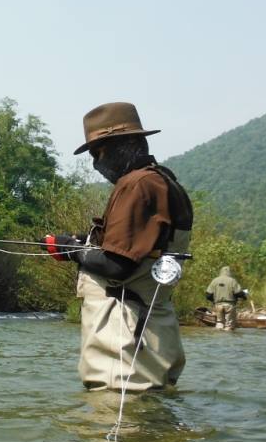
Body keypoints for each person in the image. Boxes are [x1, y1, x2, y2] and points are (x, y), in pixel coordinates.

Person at [43, 102, 193, 391]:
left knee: (114, 424)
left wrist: (70, 250)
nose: (95, 164)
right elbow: (134, 249)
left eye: (96, 153)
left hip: (125, 341)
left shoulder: (138, 185)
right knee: (151, 426)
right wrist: (77, 245)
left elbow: (117, 265)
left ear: (117, 146)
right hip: (150, 337)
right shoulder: (163, 181)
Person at [205, 266, 247, 330]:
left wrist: (214, 301)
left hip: (218, 305)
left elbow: (208, 295)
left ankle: (219, 337)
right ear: (230, 272)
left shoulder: (215, 280)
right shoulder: (232, 280)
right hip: (229, 305)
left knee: (219, 323)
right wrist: (244, 296)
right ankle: (227, 338)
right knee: (229, 325)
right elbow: (238, 293)